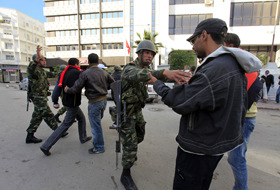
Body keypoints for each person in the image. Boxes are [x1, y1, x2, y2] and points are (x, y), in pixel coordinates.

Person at [148, 18, 262, 189]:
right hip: (215, 144)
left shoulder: (215, 68)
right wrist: (192, 88)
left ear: (204, 35)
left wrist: (156, 83)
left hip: (199, 148)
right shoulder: (232, 64)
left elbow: (179, 102)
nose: (193, 47)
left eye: (194, 41)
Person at [119, 40, 192, 190]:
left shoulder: (146, 69)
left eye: (151, 54)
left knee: (140, 135)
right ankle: (125, 174)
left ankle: (130, 151)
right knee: (131, 145)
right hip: (126, 114)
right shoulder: (130, 68)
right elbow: (139, 75)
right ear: (138, 54)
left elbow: (154, 77)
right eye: (146, 53)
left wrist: (175, 76)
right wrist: (164, 72)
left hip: (137, 112)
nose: (149, 56)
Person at [225, 33, 265, 190]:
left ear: (229, 46)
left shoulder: (242, 61)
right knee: (235, 157)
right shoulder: (243, 59)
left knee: (236, 159)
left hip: (244, 118)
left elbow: (242, 91)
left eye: (222, 45)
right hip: (244, 117)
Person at [64, 53, 115, 154]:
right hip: (103, 101)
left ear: (88, 61)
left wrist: (67, 90)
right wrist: (105, 88)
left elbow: (76, 88)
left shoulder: (85, 73)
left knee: (95, 125)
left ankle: (99, 147)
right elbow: (113, 83)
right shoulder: (104, 72)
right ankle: (97, 141)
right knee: (97, 122)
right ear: (98, 62)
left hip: (94, 102)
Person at [40, 58, 92, 156]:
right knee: (65, 125)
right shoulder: (78, 73)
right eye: (79, 64)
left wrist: (55, 100)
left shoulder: (63, 73)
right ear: (76, 64)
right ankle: (46, 146)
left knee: (81, 118)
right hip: (73, 102)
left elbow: (57, 88)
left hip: (66, 101)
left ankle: (83, 137)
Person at [25, 45, 63, 144]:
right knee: (48, 114)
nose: (44, 61)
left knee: (37, 116)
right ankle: (58, 131)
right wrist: (37, 58)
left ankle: (30, 135)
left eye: (44, 60)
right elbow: (31, 67)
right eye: (42, 60)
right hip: (37, 97)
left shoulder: (42, 72)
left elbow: (54, 74)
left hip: (41, 97)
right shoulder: (32, 71)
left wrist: (64, 72)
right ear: (37, 61)